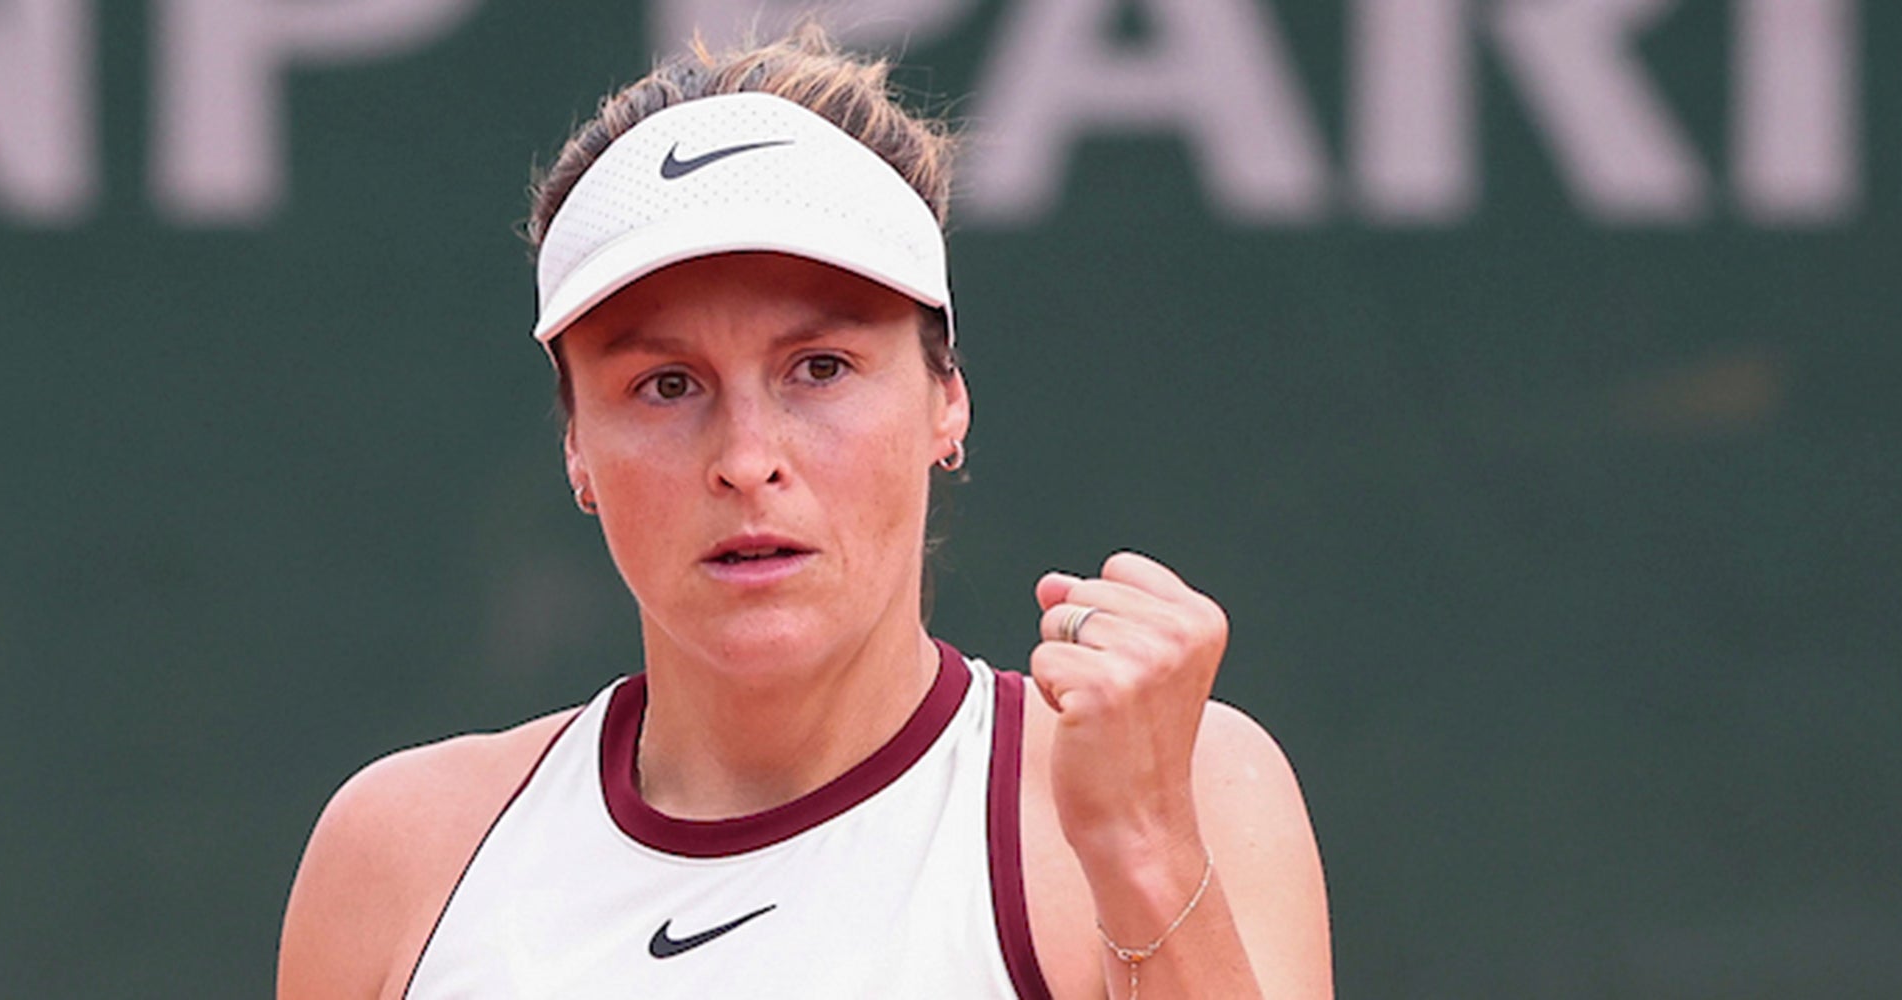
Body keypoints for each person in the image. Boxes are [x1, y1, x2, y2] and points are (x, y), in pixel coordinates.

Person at [278, 26, 1330, 1000]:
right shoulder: (401, 858)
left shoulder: (1185, 785)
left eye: (820, 367)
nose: (747, 461)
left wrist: (1143, 852)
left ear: (946, 399)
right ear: (576, 449)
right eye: (666, 385)